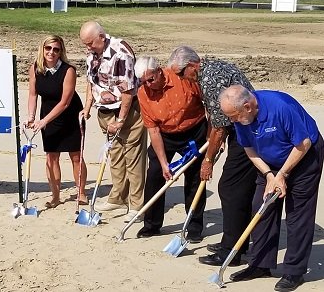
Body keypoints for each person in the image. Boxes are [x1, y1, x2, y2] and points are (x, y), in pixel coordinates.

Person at [219, 86, 323, 292]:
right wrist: (269, 175)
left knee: (297, 214)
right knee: (261, 207)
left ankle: (294, 271)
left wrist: (282, 175)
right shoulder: (240, 117)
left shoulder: (280, 107)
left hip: (304, 157)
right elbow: (248, 148)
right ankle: (260, 264)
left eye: (234, 116)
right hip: (270, 163)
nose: (232, 121)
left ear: (247, 107)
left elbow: (303, 143)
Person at [168, 46, 256, 267]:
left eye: (181, 74)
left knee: (230, 189)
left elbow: (219, 127)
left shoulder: (209, 79)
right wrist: (213, 144)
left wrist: (208, 160)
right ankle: (237, 242)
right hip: (239, 127)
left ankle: (231, 251)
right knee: (235, 189)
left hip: (246, 133)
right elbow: (216, 121)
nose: (182, 79)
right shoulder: (211, 68)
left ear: (191, 66)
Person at [78, 21, 147, 221]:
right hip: (105, 111)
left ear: (101, 36)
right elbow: (91, 81)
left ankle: (137, 205)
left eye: (90, 43)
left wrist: (121, 120)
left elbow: (127, 91)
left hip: (127, 111)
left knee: (133, 158)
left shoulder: (121, 52)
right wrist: (87, 106)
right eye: (85, 44)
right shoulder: (91, 52)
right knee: (115, 156)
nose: (88, 47)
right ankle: (118, 198)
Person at [134, 56, 207, 239]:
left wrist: (212, 138)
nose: (148, 85)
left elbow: (207, 104)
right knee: (155, 175)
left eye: (151, 79)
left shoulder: (181, 78)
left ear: (159, 71)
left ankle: (194, 227)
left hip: (194, 130)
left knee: (194, 178)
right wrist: (164, 163)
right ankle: (151, 224)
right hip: (165, 135)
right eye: (144, 82)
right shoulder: (143, 93)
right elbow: (153, 130)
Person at [25, 35, 86, 207]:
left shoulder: (69, 70)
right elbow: (32, 94)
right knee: (51, 156)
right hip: (48, 114)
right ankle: (55, 196)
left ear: (61, 52)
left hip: (70, 115)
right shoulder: (35, 68)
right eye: (48, 48)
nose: (51, 52)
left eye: (56, 49)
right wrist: (31, 117)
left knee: (76, 156)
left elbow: (65, 102)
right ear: (42, 49)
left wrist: (43, 121)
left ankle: (81, 193)